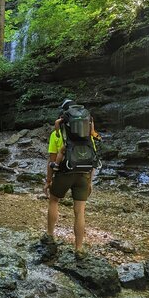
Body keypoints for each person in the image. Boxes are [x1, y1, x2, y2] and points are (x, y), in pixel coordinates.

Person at [43, 103, 97, 258]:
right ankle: (79, 249)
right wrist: (90, 181)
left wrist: (48, 180)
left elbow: (51, 160)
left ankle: (50, 235)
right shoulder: (87, 134)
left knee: (54, 201)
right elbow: (91, 158)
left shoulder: (57, 134)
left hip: (64, 173)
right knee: (80, 212)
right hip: (83, 175)